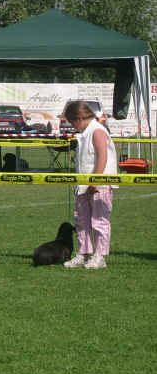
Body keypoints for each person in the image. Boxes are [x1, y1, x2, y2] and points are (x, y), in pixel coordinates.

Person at [63, 101, 117, 269]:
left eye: (72, 122)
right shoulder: (85, 133)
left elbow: (102, 157)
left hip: (99, 184)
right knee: (81, 219)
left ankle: (100, 256)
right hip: (83, 184)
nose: (72, 126)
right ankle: (83, 253)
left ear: (79, 118)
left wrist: (96, 180)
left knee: (100, 220)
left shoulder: (97, 131)